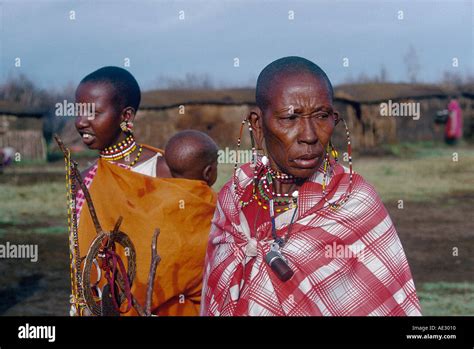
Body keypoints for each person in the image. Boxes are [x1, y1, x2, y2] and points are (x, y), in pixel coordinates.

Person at [200, 56, 421, 316]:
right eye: (290, 118)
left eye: (322, 116)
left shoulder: (354, 200)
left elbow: (381, 304)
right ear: (258, 126)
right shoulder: (236, 196)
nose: (309, 136)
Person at [70, 66, 216, 316]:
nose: (81, 122)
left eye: (93, 112)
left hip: (162, 307)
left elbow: (195, 246)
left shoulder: (164, 170)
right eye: (79, 111)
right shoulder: (83, 181)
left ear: (126, 116)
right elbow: (81, 256)